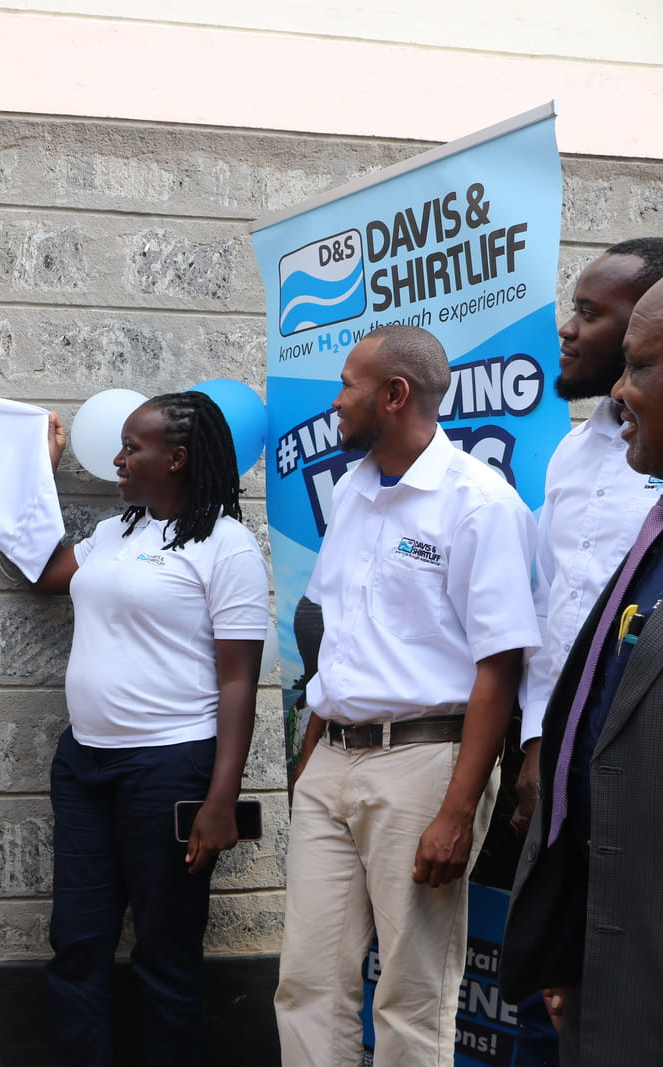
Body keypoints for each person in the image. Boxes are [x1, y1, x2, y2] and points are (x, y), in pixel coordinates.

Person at [273, 325, 539, 1067]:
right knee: (306, 983)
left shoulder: (479, 501)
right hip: (333, 761)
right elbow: (337, 642)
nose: (336, 401)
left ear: (395, 395)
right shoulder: (355, 493)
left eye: (348, 385)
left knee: (412, 995)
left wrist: (459, 810)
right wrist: (307, 759)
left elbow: (499, 667)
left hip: (425, 764)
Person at [32, 391, 268, 1066]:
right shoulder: (115, 532)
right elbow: (47, 573)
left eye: (134, 448)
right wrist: (38, 478)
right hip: (85, 767)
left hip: (169, 771)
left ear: (178, 457)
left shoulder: (228, 548)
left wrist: (221, 799)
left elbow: (238, 681)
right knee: (77, 945)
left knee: (165, 953)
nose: (120, 458)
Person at [509, 237, 663, 1064]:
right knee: (553, 984)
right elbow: (557, 611)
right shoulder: (574, 450)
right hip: (563, 763)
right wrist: (540, 745)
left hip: (636, 786)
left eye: (592, 315)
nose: (569, 330)